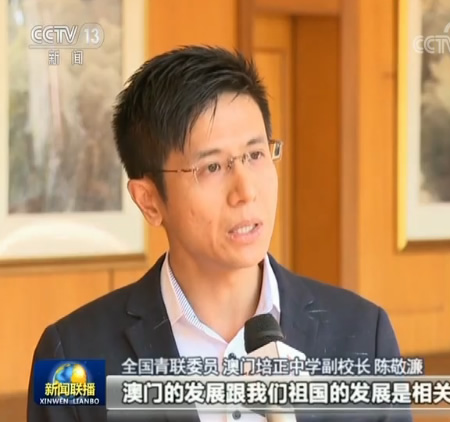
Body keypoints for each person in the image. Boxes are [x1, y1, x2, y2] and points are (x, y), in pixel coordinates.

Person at [28, 46, 409, 422]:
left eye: (256, 155)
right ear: (149, 201)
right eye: (212, 167)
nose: (246, 191)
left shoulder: (364, 335)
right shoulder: (72, 357)